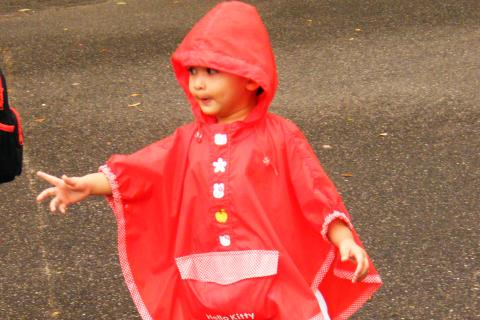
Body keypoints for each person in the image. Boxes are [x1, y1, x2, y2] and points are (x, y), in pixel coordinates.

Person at [36, 1, 382, 319]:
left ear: (250, 76)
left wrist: (343, 239)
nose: (198, 84)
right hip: (202, 285)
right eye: (193, 72)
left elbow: (314, 192)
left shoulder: (281, 136)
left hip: (273, 283)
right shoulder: (187, 142)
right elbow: (140, 172)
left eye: (212, 72)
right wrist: (87, 185)